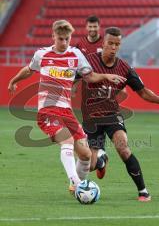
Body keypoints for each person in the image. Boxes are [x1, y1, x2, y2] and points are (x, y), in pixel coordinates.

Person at [8, 20, 126, 194]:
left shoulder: (76, 55)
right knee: (67, 140)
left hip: (67, 112)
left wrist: (106, 76)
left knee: (86, 155)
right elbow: (28, 69)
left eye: (67, 39)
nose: (64, 43)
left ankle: (77, 189)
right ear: (53, 36)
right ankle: (77, 183)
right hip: (47, 111)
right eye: (61, 39)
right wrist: (13, 81)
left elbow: (90, 76)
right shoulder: (42, 54)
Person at [78, 26, 159, 202]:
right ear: (103, 43)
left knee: (122, 147)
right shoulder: (87, 61)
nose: (113, 47)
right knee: (89, 165)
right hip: (91, 118)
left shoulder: (124, 68)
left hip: (112, 115)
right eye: (110, 43)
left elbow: (144, 92)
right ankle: (101, 160)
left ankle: (143, 191)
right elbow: (72, 78)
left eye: (117, 44)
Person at [75, 15, 127, 179]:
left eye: (95, 27)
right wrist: (74, 86)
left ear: (99, 28)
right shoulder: (80, 45)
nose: (92, 29)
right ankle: (101, 160)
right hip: (89, 95)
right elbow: (78, 69)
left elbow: (114, 65)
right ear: (86, 28)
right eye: (89, 27)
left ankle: (76, 180)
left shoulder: (106, 43)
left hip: (106, 93)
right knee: (89, 162)